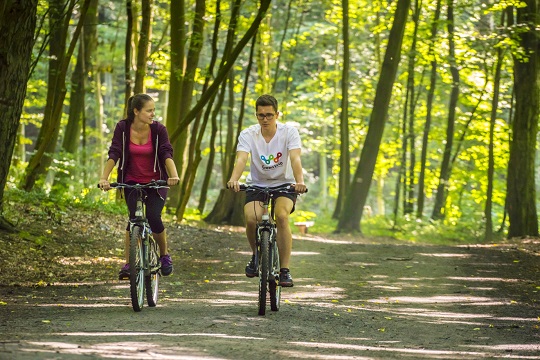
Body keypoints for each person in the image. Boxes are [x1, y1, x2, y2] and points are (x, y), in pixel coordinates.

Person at [227, 94, 307, 287]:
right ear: (256, 115)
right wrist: (234, 179)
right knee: (251, 219)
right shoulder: (248, 134)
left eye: (269, 115)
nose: (265, 119)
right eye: (261, 115)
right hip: (257, 184)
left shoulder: (289, 132)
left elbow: (295, 158)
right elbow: (241, 159)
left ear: (277, 115)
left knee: (281, 216)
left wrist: (300, 181)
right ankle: (256, 255)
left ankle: (285, 270)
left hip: (285, 184)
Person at [98, 93, 180, 280]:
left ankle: (164, 255)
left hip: (156, 181)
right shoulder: (123, 128)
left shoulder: (159, 130)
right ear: (136, 111)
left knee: (152, 216)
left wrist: (173, 175)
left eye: (153, 110)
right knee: (133, 219)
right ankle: (128, 263)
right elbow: (115, 152)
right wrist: (104, 178)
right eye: (149, 110)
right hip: (131, 181)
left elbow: (166, 153)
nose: (153, 114)